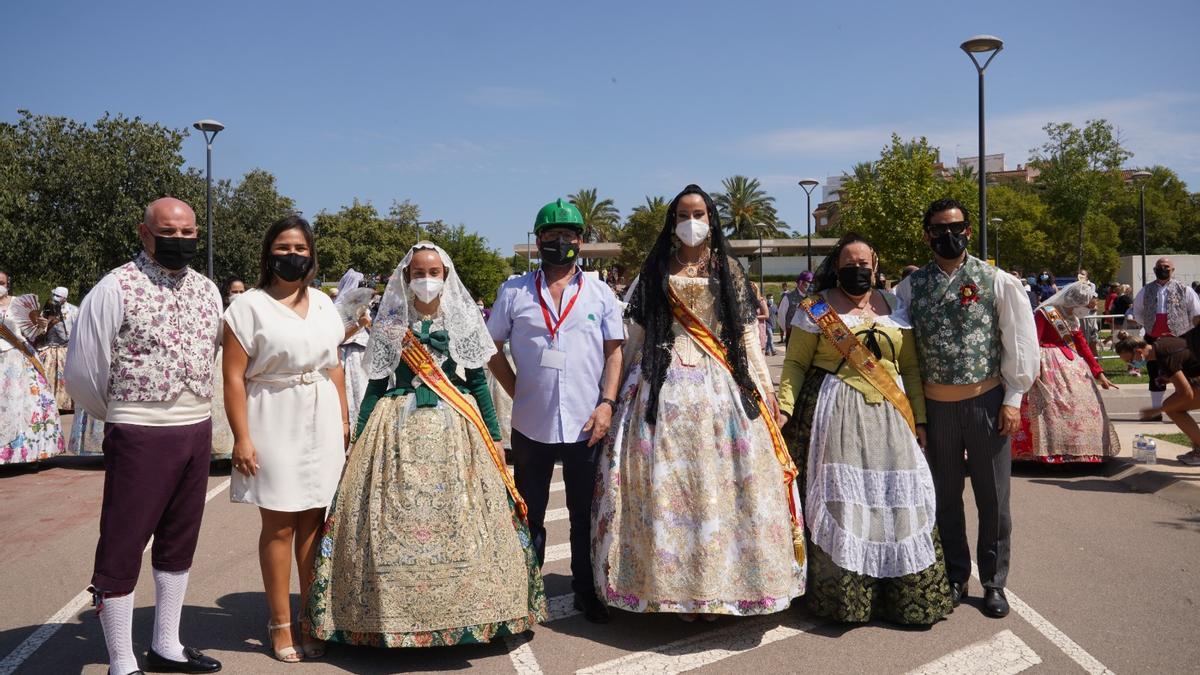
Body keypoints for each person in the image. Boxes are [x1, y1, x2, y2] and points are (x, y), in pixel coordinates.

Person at [308, 243, 547, 647]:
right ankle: (388, 618)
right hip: (395, 429)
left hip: (457, 429)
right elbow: (376, 387)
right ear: (405, 278)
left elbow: (476, 385)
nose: (427, 279)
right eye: (418, 272)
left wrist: (492, 438)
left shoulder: (464, 322)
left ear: (447, 277)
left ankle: (476, 611)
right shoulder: (389, 326)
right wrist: (360, 434)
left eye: (434, 272)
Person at [592, 184, 805, 621]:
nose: (693, 221)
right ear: (674, 222)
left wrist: (764, 391)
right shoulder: (654, 271)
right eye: (685, 213)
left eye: (701, 213)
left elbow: (745, 333)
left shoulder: (729, 270)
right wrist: (612, 397)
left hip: (719, 387)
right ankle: (673, 591)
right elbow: (636, 335)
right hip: (659, 388)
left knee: (718, 490)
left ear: (712, 219)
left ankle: (718, 585)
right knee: (668, 493)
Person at [64, 197, 222, 675]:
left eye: (188, 232)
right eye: (168, 232)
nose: (179, 240)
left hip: (196, 428)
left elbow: (212, 352)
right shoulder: (115, 287)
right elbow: (85, 371)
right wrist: (125, 415)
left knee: (179, 539)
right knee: (124, 541)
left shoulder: (208, 290)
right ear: (144, 232)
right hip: (140, 431)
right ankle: (121, 659)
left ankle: (167, 644)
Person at [778, 233, 950, 627]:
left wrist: (919, 419)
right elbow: (796, 365)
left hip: (891, 417)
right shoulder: (815, 309)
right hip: (835, 414)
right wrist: (784, 406)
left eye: (865, 263)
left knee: (897, 500)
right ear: (836, 267)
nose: (858, 270)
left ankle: (904, 598)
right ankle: (845, 601)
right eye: (849, 264)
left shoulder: (894, 307)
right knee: (844, 501)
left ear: (876, 265)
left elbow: (909, 368)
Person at [893, 198, 1038, 620]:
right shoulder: (909, 287)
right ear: (927, 235)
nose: (948, 235)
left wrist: (1014, 399)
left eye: (955, 227)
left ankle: (993, 581)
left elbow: (1020, 341)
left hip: (986, 403)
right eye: (938, 229)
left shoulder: (997, 281)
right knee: (944, 497)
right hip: (936, 408)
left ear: (969, 231)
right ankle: (956, 575)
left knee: (993, 499)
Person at [487, 199, 624, 624]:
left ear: (581, 242)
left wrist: (607, 403)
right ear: (538, 240)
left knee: (585, 512)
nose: (559, 242)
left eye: (568, 235)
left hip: (587, 423)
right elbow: (490, 348)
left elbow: (614, 351)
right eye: (551, 235)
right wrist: (516, 388)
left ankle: (586, 589)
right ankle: (526, 591)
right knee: (530, 511)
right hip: (531, 422)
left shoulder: (600, 293)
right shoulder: (513, 292)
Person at [222, 214, 348, 662]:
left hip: (321, 416)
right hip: (271, 415)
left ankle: (310, 619)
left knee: (314, 524)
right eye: (283, 248)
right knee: (278, 525)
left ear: (311, 255)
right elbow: (234, 378)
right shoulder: (247, 307)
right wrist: (242, 438)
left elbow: (334, 365)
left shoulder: (324, 304)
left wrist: (345, 420)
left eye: (299, 248)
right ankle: (279, 623)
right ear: (267, 254)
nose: (291, 255)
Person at [1011, 282, 1120, 463]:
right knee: (1049, 409)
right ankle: (1050, 452)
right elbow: (1034, 340)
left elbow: (1083, 346)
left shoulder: (1072, 318)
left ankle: (1077, 451)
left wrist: (1099, 373)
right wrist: (1032, 367)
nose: (1085, 309)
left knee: (1076, 407)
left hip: (1072, 366)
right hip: (1046, 365)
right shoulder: (1045, 313)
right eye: (1084, 305)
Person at [1, 271, 64, 466]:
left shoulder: (18, 303)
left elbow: (33, 331)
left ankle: (30, 453)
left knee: (27, 404)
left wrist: (41, 325)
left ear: (8, 283)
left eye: (1, 282)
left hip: (18, 357)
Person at [1127, 257, 1200, 419]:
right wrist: (1149, 324)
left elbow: (1195, 313)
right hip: (1153, 339)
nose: (1163, 269)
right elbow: (1138, 311)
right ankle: (1155, 412)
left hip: (1179, 339)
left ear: (1172, 270)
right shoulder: (1146, 290)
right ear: (1154, 269)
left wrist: (1187, 332)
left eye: (1166, 267)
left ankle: (1182, 406)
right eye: (1159, 267)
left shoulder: (1185, 289)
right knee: (1154, 373)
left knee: (1184, 374)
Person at [1115, 331, 1200, 465]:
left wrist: (1157, 410)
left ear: (1138, 352)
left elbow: (1185, 393)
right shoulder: (1161, 344)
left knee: (1173, 408)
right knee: (1172, 406)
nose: (1132, 364)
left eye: (1131, 360)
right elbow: (1187, 359)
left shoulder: (1164, 356)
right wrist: (1170, 379)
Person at [332, 269, 374, 440]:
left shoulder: (364, 306)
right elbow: (336, 337)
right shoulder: (337, 308)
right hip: (345, 355)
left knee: (364, 393)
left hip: (363, 354)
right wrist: (359, 324)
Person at [33, 286, 77, 412]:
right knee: (46, 375)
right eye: (54, 295)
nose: (55, 298)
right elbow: (41, 331)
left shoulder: (73, 310)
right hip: (49, 347)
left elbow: (72, 332)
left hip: (65, 348)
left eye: (58, 296)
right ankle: (47, 403)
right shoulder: (47, 308)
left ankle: (65, 405)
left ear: (65, 298)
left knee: (65, 376)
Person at [777, 272, 813, 346]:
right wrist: (788, 330)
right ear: (800, 282)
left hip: (809, 337)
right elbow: (781, 316)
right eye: (809, 282)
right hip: (792, 336)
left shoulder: (812, 298)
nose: (811, 285)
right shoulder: (788, 297)